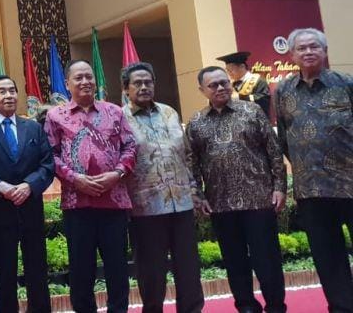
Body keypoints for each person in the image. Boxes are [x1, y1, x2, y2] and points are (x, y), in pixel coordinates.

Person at [186, 66, 287, 313]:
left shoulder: (251, 111)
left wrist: (280, 188)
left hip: (259, 200)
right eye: (213, 85)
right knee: (234, 261)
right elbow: (191, 163)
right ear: (202, 90)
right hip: (221, 204)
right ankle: (246, 306)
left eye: (223, 82)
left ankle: (275, 306)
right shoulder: (196, 122)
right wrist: (197, 195)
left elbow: (273, 151)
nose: (220, 88)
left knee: (267, 260)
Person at [44, 59, 137, 313]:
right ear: (67, 84)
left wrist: (117, 174)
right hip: (77, 204)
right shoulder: (55, 116)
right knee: (81, 269)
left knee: (117, 266)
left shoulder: (114, 112)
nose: (85, 81)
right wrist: (76, 179)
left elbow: (130, 146)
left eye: (89, 76)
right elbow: (50, 155)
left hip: (114, 201)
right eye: (79, 78)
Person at [275, 28, 353, 312]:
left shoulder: (345, 83)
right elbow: (283, 138)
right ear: (292, 54)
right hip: (311, 190)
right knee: (327, 257)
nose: (308, 52)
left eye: (314, 47)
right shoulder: (283, 91)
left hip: (350, 184)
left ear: (325, 51)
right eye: (302, 48)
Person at [120, 63, 203, 313]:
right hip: (145, 208)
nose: (144, 87)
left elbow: (187, 155)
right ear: (125, 88)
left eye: (149, 82)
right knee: (151, 273)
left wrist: (194, 191)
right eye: (138, 83)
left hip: (182, 204)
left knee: (188, 268)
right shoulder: (119, 118)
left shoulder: (169, 112)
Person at [0, 75, 53, 313]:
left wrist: (29, 185)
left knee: (37, 269)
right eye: (1, 92)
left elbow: (47, 165)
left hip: (30, 207)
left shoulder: (33, 127)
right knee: (4, 271)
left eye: (12, 91)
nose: (8, 96)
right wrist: (0, 186)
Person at [216, 51, 271, 116]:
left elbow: (264, 99)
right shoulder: (232, 84)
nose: (229, 73)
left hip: (256, 120)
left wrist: (241, 97)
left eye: (231, 70)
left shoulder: (258, 81)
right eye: (227, 70)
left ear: (242, 67)